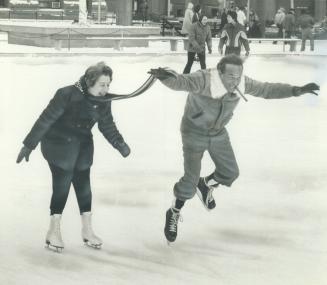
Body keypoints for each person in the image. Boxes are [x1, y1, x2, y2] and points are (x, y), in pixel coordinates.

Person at [148, 54, 319, 243]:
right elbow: (182, 82)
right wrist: (165, 77)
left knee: (230, 173)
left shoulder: (242, 84)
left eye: (238, 76)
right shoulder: (204, 79)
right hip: (194, 132)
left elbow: (267, 89)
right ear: (219, 73)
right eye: (230, 76)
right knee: (189, 183)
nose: (235, 81)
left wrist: (296, 90)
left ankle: (205, 185)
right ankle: (174, 211)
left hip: (218, 133)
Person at [16, 62, 131, 251]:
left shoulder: (103, 100)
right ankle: (53, 232)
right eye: (102, 84)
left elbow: (107, 125)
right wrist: (29, 145)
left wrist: (120, 144)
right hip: (58, 145)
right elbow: (46, 119)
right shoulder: (66, 94)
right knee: (62, 184)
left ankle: (87, 230)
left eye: (108, 85)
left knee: (84, 185)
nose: (106, 89)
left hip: (83, 146)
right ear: (90, 81)